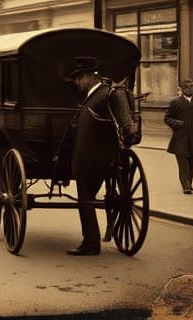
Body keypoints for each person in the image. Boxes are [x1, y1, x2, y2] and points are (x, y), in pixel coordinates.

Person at [65, 56, 137, 256]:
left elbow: (125, 124)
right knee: (86, 197)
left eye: (79, 77)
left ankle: (90, 242)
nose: (77, 82)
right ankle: (93, 239)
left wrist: (129, 131)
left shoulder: (107, 94)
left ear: (89, 76)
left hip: (92, 159)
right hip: (100, 158)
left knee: (85, 198)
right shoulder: (97, 95)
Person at [164, 78, 193, 194]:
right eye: (186, 87)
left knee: (192, 162)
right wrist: (176, 123)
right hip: (180, 138)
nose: (189, 89)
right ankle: (186, 186)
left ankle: (189, 182)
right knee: (183, 163)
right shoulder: (175, 103)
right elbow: (167, 118)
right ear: (181, 89)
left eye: (191, 86)